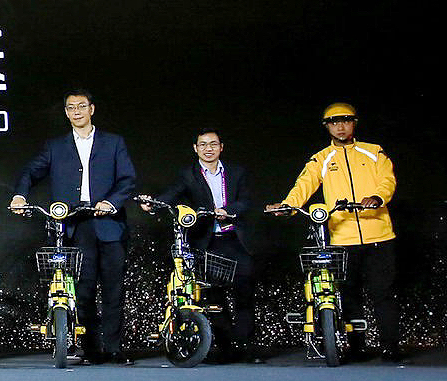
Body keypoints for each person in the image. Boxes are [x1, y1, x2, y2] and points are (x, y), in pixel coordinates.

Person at [10, 90, 138, 365]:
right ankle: (91, 349)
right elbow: (30, 171)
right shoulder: (55, 146)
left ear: (92, 109)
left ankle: (114, 348)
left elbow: (127, 179)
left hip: (110, 224)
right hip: (76, 225)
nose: (76, 111)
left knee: (114, 289)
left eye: (81, 106)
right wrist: (20, 195)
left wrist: (111, 202)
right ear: (66, 113)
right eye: (71, 107)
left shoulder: (113, 142)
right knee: (84, 290)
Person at [265, 102, 400, 360]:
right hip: (342, 237)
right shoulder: (321, 158)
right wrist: (287, 206)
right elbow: (304, 185)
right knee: (348, 295)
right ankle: (356, 347)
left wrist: (377, 197)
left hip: (379, 235)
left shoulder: (374, 152)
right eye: (334, 122)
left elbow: (388, 180)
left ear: (354, 123)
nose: (340, 127)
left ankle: (390, 346)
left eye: (345, 121)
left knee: (383, 292)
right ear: (327, 127)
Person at [145, 129, 260, 362]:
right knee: (213, 297)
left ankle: (247, 348)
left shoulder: (236, 172)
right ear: (195, 148)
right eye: (203, 144)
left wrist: (228, 211)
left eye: (213, 144)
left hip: (234, 239)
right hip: (207, 241)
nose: (209, 148)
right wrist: (154, 204)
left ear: (221, 147)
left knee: (245, 293)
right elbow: (172, 193)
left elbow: (247, 200)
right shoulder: (188, 174)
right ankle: (225, 349)